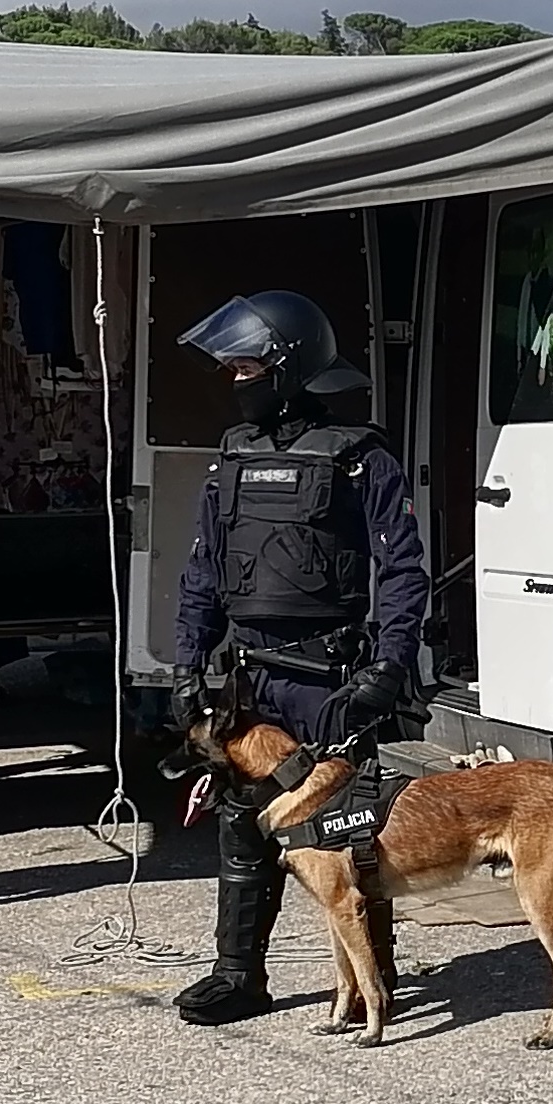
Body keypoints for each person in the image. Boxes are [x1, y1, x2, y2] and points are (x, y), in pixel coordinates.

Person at [168, 290, 429, 1027]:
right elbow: (204, 571)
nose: (236, 382)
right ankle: (237, 975)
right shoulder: (233, 460)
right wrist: (186, 666)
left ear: (288, 368)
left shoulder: (359, 459)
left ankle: (376, 973)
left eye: (246, 367)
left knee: (348, 830)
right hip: (253, 681)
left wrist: (388, 667)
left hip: (334, 683)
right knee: (241, 826)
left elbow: (402, 571)